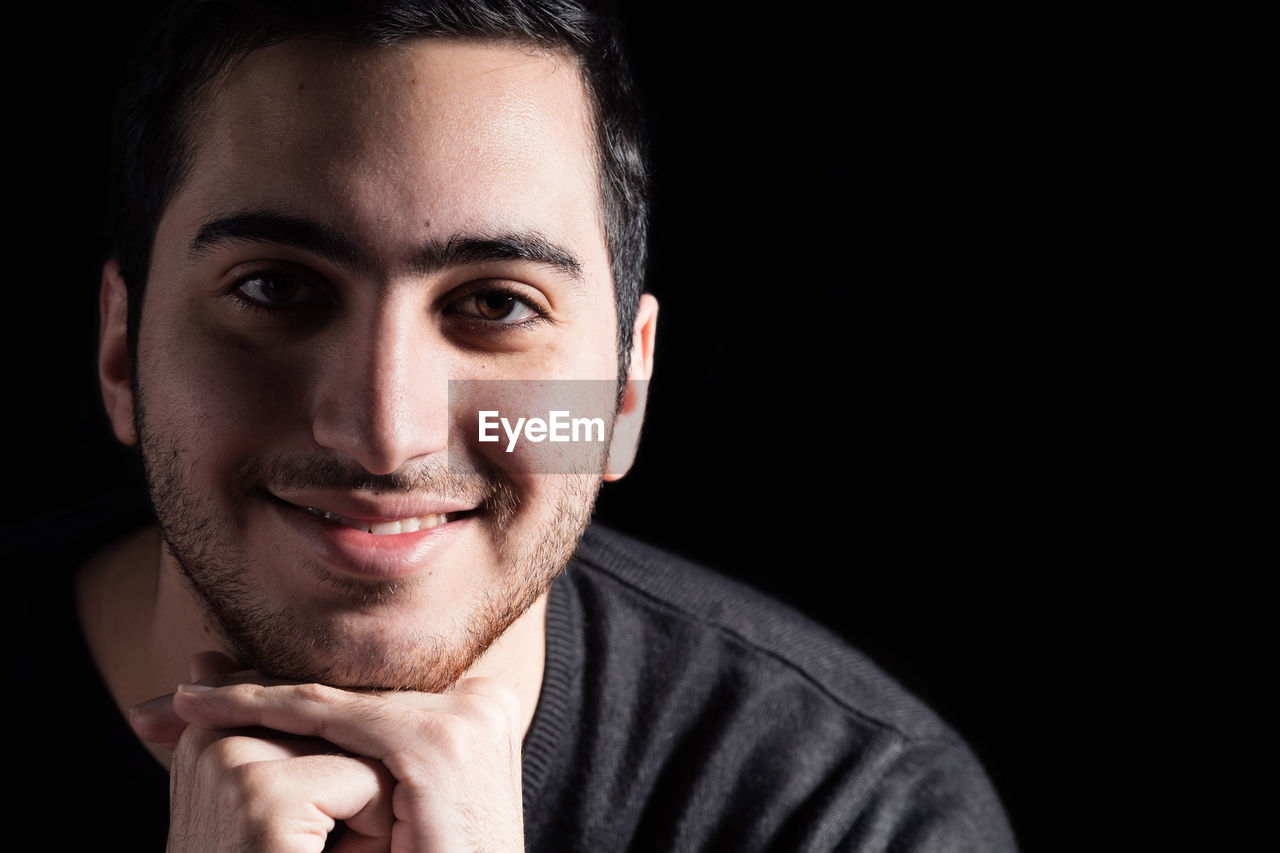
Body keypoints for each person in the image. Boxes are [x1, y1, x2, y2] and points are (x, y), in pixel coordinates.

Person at [10, 1, 1018, 849]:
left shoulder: (845, 813)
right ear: (118, 350)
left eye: (494, 304)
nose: (382, 432)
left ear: (624, 392)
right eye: (276, 288)